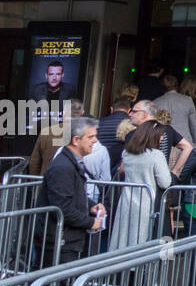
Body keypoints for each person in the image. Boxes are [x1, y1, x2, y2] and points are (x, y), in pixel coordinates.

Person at [38, 117, 106, 264]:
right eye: (91, 137)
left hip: (65, 238)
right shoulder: (63, 167)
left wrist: (90, 206)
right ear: (76, 140)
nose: (95, 141)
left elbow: (70, 196)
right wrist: (90, 222)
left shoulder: (70, 163)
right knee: (59, 284)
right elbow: (62, 208)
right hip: (59, 241)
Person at [108, 121, 173, 250]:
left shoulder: (126, 153)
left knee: (124, 238)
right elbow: (165, 182)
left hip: (126, 200)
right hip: (147, 203)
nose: (162, 138)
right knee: (141, 239)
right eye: (160, 135)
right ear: (152, 135)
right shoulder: (156, 155)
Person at [29, 99, 87, 175]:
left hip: (46, 182)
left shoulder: (46, 132)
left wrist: (36, 183)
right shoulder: (86, 136)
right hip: (72, 184)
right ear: (82, 113)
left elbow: (34, 163)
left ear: (63, 113)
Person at [155, 74, 196, 145]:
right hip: (185, 142)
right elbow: (194, 126)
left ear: (162, 87)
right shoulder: (188, 100)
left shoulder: (156, 102)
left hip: (164, 143)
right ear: (177, 86)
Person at [97, 91, 135, 171]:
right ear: (129, 111)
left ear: (111, 109)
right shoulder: (132, 125)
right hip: (120, 166)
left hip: (99, 163)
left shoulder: (98, 122)